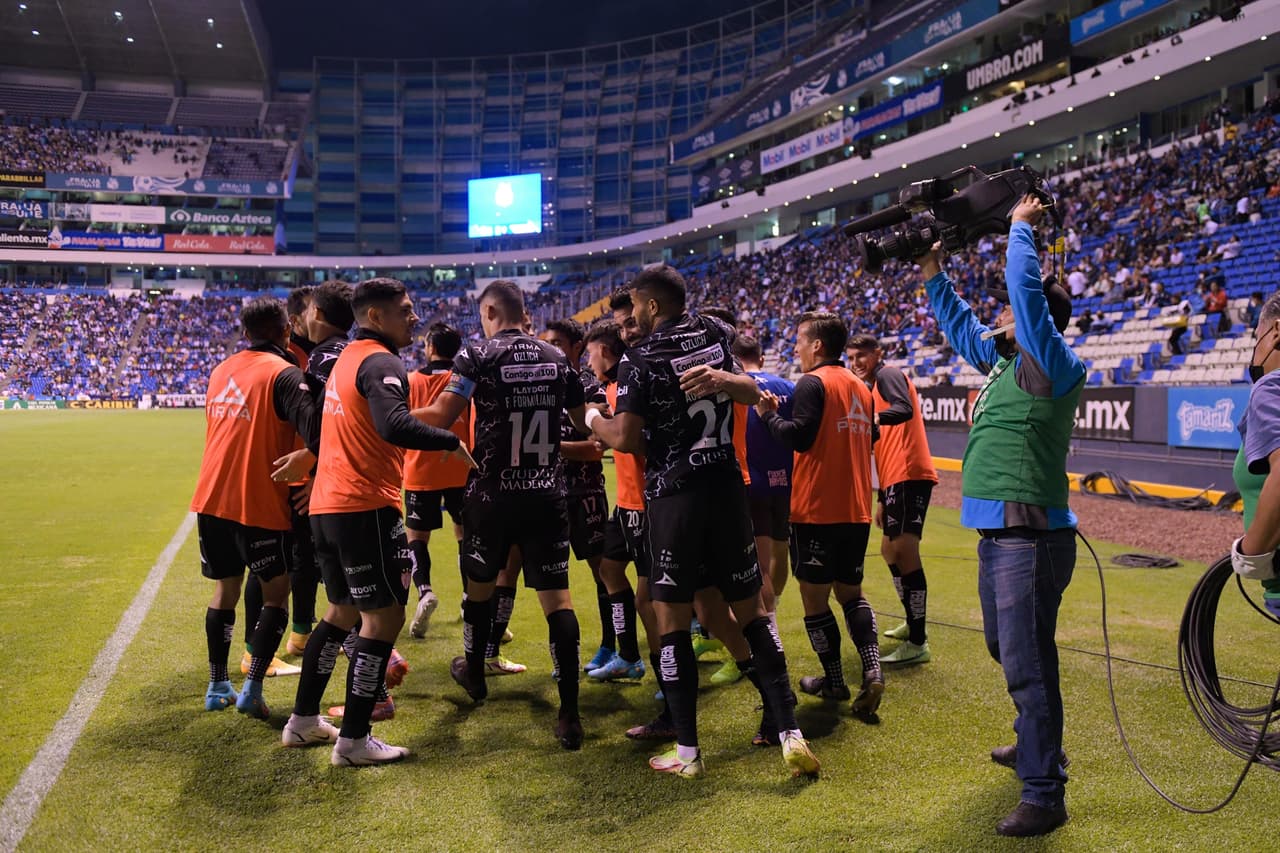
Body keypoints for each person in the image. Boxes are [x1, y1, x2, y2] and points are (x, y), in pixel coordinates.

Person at [590, 264, 818, 779]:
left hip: (675, 499)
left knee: (670, 619)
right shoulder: (715, 331)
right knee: (752, 613)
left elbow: (625, 438)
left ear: (651, 305)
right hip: (727, 491)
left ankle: (688, 752)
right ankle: (789, 731)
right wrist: (724, 378)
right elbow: (749, 391)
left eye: (636, 308)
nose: (632, 319)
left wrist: (590, 418)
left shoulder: (640, 359)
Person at [917, 195, 1084, 837]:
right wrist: (933, 272)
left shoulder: (1051, 363)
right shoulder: (1007, 364)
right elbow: (963, 329)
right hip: (1000, 537)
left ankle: (1044, 791)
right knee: (1008, 650)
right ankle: (1039, 742)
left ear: (1032, 321)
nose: (1000, 316)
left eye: (1009, 312)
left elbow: (1027, 295)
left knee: (1026, 664)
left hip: (1029, 540)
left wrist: (1020, 230)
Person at [284, 278, 471, 767]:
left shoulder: (345, 356)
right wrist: (450, 441)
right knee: (383, 619)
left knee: (340, 613)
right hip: (363, 506)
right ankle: (354, 740)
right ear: (374, 316)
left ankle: (302, 721)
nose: (414, 317)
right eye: (404, 310)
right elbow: (393, 424)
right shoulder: (381, 361)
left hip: (327, 506)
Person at [417, 280, 590, 751]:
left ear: (490, 310)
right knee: (558, 601)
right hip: (546, 494)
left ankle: (475, 672)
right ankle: (570, 713)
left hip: (492, 495)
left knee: (480, 589)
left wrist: (385, 415)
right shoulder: (557, 358)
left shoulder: (477, 355)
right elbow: (582, 421)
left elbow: (442, 414)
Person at [190, 297, 320, 719]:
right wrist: (313, 468)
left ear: (245, 333)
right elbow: (318, 431)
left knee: (224, 590)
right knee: (276, 593)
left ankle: (217, 685)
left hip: (211, 499)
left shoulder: (220, 370)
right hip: (258, 502)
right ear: (286, 331)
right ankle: (253, 688)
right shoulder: (284, 374)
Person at [757, 314, 884, 720]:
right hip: (856, 507)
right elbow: (871, 436)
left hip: (816, 508)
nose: (795, 347)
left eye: (799, 340)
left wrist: (768, 415)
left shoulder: (813, 383)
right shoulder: (860, 386)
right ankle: (873, 669)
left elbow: (799, 437)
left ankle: (834, 680)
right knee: (851, 593)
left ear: (816, 345)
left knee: (815, 599)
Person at [847, 334, 938, 666]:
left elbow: (903, 408)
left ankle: (918, 641)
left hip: (909, 472)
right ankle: (912, 623)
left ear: (878, 354)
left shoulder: (887, 374)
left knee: (904, 552)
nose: (856, 363)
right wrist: (883, 497)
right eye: (851, 357)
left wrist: (874, 418)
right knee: (889, 550)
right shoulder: (871, 388)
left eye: (862, 356)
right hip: (893, 480)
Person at [541, 319, 614, 674]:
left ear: (577, 347)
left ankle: (611, 646)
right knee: (552, 581)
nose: (551, 349)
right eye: (547, 343)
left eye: (557, 343)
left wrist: (550, 447)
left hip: (585, 493)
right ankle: (564, 658)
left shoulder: (590, 388)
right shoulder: (541, 384)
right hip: (547, 494)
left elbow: (597, 448)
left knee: (605, 575)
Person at [583, 321, 650, 685]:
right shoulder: (613, 388)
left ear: (605, 352)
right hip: (624, 503)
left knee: (650, 597)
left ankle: (667, 672)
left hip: (644, 502)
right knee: (609, 570)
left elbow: (633, 440)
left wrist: (597, 421)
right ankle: (628, 655)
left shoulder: (627, 386)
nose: (589, 361)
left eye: (591, 353)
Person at [403, 322, 471, 639]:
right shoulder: (463, 380)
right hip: (459, 465)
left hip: (421, 467)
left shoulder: (411, 380)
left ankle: (425, 591)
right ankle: (469, 597)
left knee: (417, 536)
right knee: (464, 532)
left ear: (430, 347)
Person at [732, 333, 795, 612]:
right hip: (785, 482)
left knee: (760, 565)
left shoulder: (737, 388)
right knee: (781, 551)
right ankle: (775, 605)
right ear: (761, 358)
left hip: (752, 483)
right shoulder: (788, 387)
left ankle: (768, 621)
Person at [1230, 291, 1280, 619]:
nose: (1255, 347)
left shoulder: (1271, 387)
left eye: (1256, 336)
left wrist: (1252, 553)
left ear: (1276, 331)